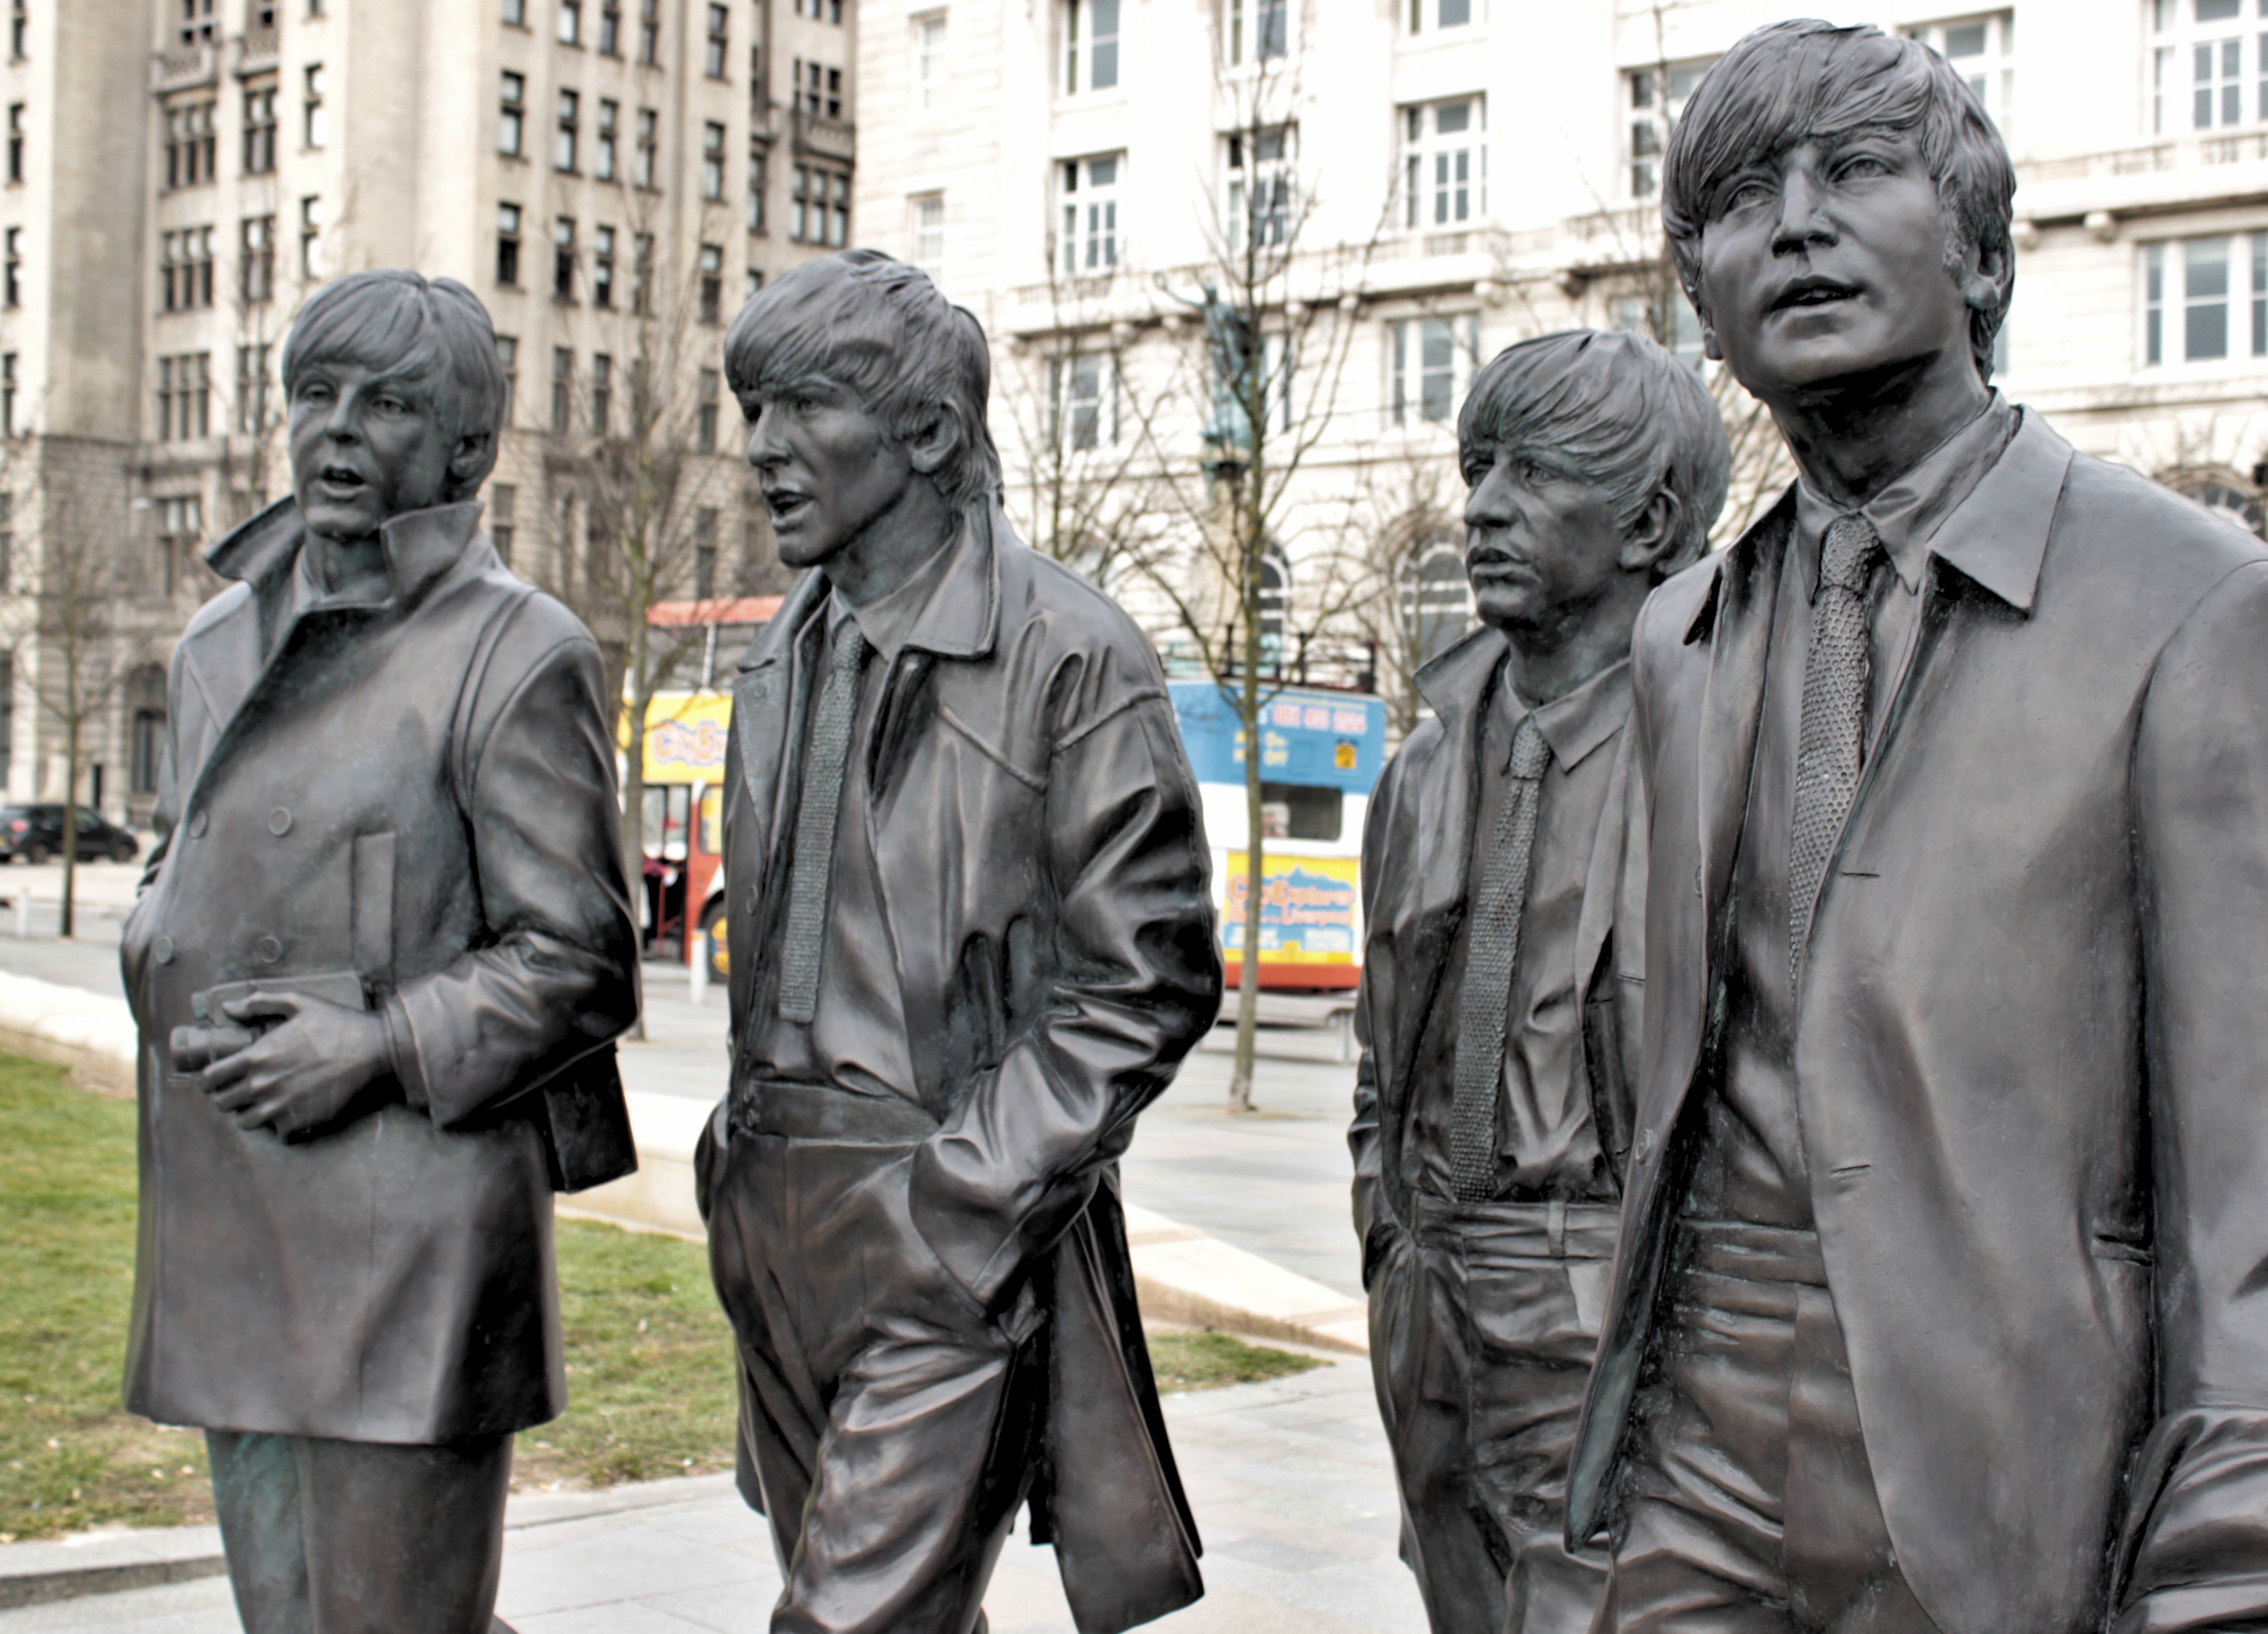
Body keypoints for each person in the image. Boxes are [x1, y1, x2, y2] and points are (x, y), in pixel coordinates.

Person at [1565, 22, 2268, 1633]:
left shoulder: (2200, 610)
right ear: (1702, 298)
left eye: (1856, 173)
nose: (1797, 221)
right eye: (1741, 198)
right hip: (1695, 1447)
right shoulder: (1680, 635)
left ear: (1980, 254)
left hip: (2012, 1470)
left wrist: (2260, 1574)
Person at [697, 248, 1222, 1634]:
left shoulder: (1069, 652)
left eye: (801, 409)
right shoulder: (779, 655)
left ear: (927, 432)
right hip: (775, 1220)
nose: (761, 450)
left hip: (942, 1214)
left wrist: (967, 1194)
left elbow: (1143, 979)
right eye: (753, 410)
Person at [119, 269, 640, 1634]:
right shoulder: (218, 644)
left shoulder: (519, 653)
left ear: (468, 449)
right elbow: (200, 856)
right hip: (236, 1218)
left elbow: (582, 955)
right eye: (317, 394)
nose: (340, 430)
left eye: (391, 404)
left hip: (413, 1244)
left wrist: (378, 1043)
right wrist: (157, 928)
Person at [1350, 329, 1730, 1634]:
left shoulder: (1727, 758)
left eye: (1533, 472)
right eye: (1477, 467)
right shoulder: (1422, 767)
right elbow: (1379, 1052)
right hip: (1431, 1287)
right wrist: (1387, 1232)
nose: (1481, 507)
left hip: (1608, 1296)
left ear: (1650, 523)